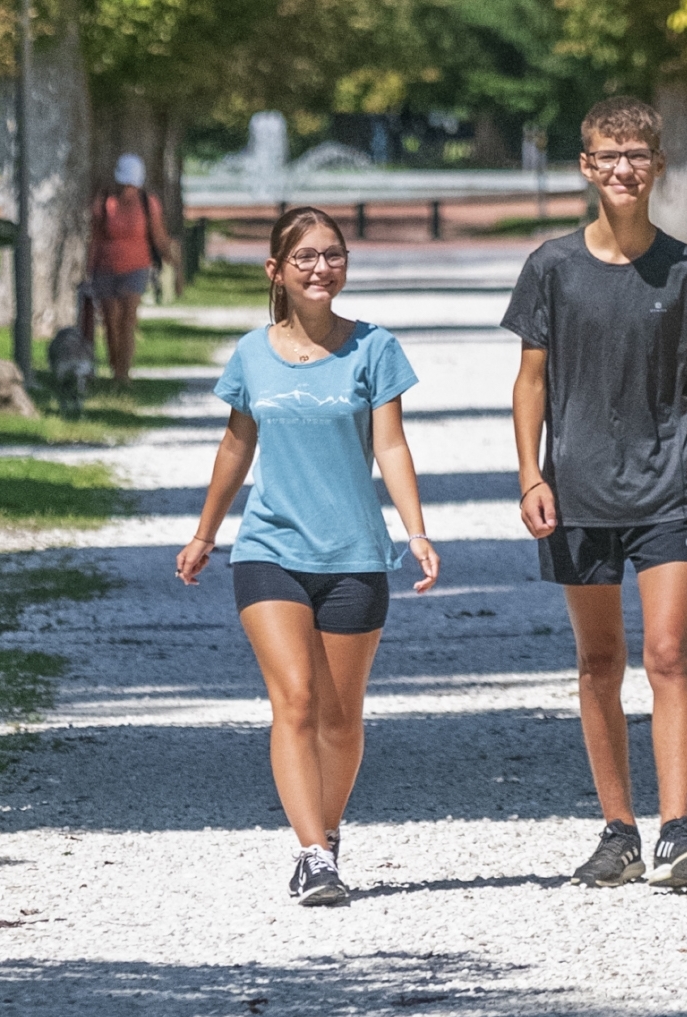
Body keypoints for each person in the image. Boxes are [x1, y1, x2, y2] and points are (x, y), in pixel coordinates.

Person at [175, 206, 439, 906]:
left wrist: (415, 532)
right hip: (269, 549)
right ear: (276, 271)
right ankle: (312, 854)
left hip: (355, 553)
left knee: (339, 719)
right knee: (293, 699)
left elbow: (390, 445)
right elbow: (236, 445)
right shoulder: (251, 353)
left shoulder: (374, 348)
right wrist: (205, 533)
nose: (322, 268)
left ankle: (328, 827)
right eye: (306, 257)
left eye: (333, 255)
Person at [505, 96, 687, 889]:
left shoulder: (686, 268)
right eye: (608, 154)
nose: (623, 168)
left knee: (667, 654)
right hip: (577, 491)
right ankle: (618, 832)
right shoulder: (551, 267)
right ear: (585, 166)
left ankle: (677, 829)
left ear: (657, 166)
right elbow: (529, 381)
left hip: (668, 489)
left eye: (636, 155)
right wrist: (531, 473)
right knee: (599, 660)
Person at [87, 154, 177, 384]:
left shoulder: (148, 203)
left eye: (131, 185)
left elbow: (158, 235)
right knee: (110, 321)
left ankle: (123, 373)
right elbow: (95, 237)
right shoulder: (105, 202)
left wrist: (172, 262)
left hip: (136, 268)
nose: (127, 190)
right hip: (105, 269)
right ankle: (115, 366)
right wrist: (90, 268)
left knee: (128, 320)